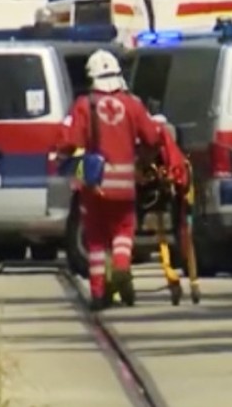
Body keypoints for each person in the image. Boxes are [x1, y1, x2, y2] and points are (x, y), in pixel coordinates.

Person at [57, 49, 163, 311]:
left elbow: (68, 142)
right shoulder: (133, 104)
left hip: (94, 184)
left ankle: (98, 293)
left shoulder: (83, 105)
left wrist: (75, 171)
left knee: (96, 240)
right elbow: (153, 137)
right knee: (124, 230)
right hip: (125, 185)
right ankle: (121, 267)